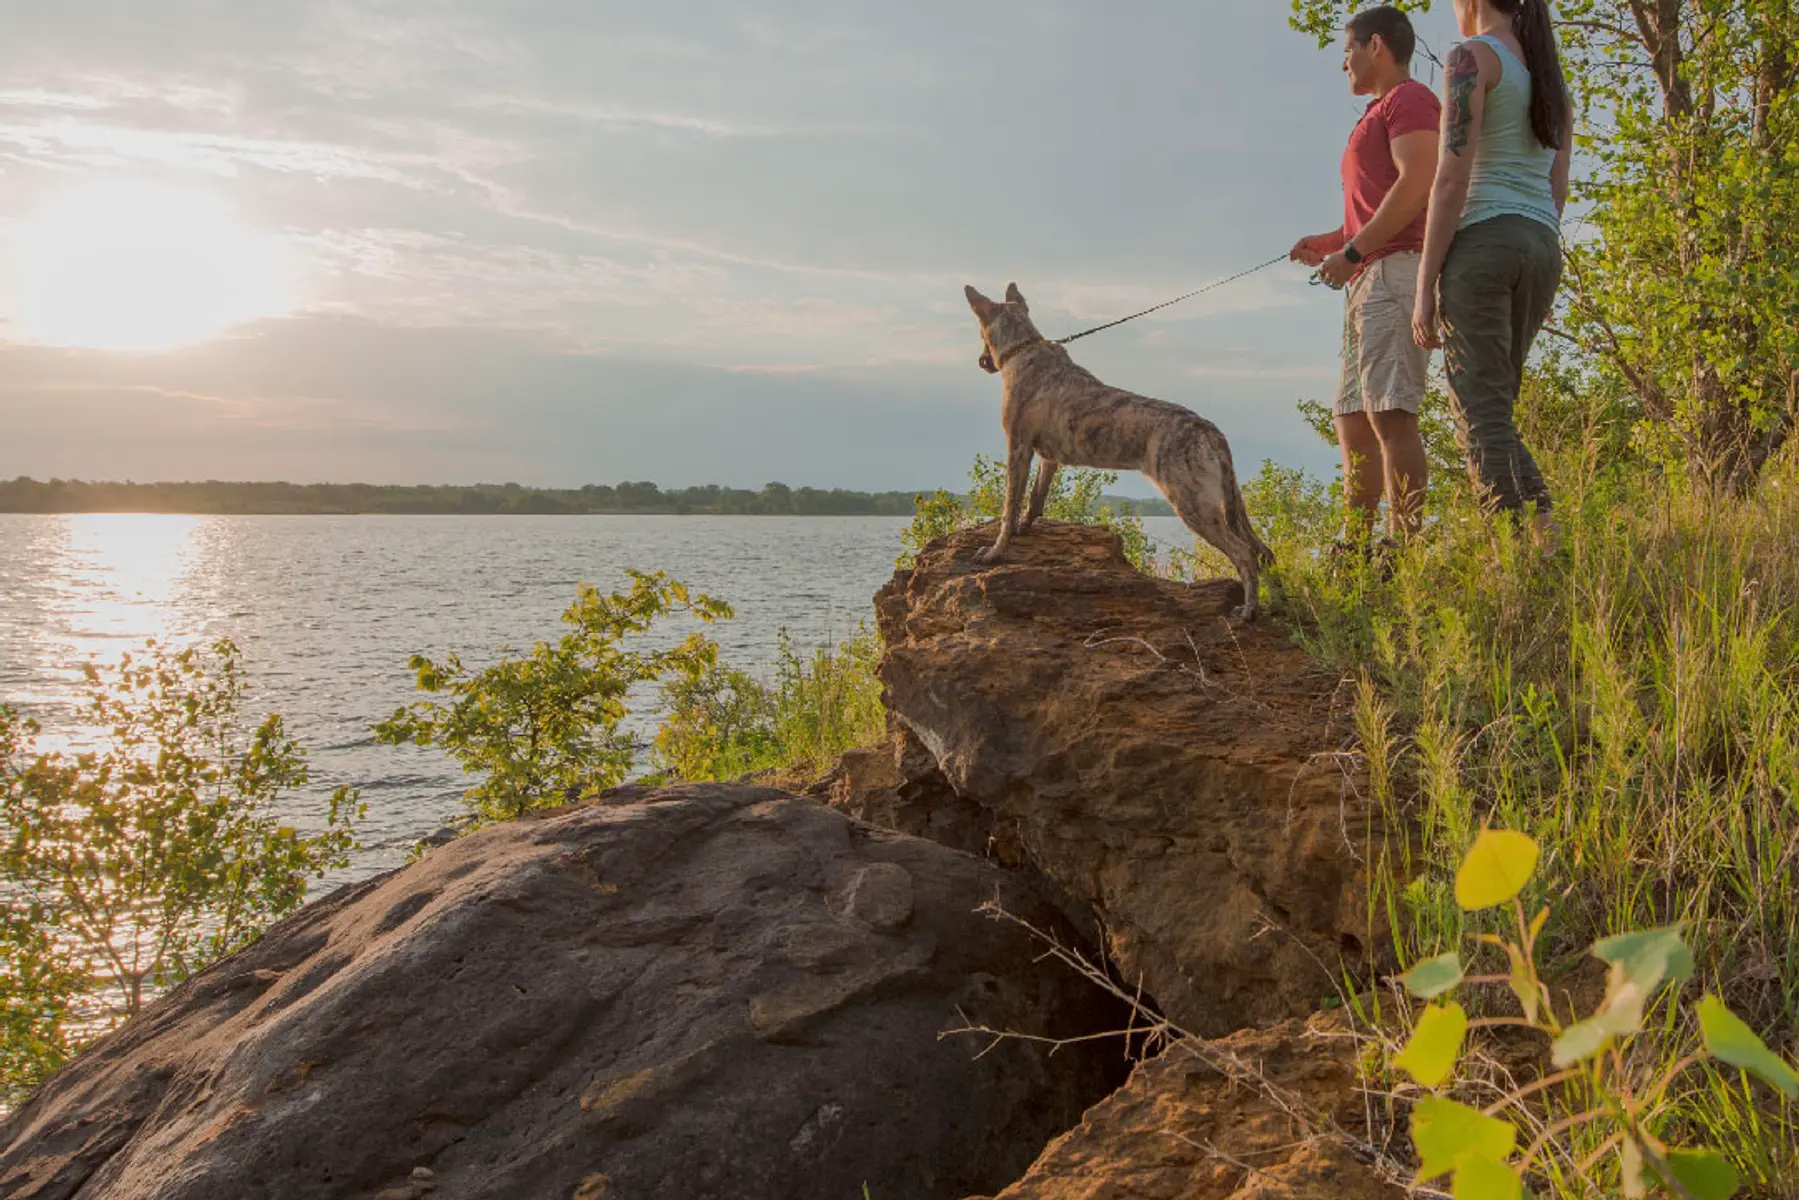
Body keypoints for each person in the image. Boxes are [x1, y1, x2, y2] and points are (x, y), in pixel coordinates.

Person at [1411, 0, 1573, 537]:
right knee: (1496, 411)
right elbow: (1557, 189)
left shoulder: (1471, 59)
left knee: (1478, 414)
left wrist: (1425, 284)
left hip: (1483, 245)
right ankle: (1547, 547)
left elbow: (1450, 180)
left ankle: (1513, 562)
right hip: (1540, 243)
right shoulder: (1548, 77)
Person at [1291, 5, 1440, 546]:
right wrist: (1333, 243)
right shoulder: (1378, 111)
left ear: (1376, 46)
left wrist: (1352, 253)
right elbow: (1375, 206)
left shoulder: (1410, 99)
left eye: (1347, 51)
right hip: (1366, 279)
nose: (1344, 64)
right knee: (1354, 422)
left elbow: (1420, 181)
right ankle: (1353, 548)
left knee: (1391, 416)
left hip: (1394, 274)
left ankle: (1401, 553)